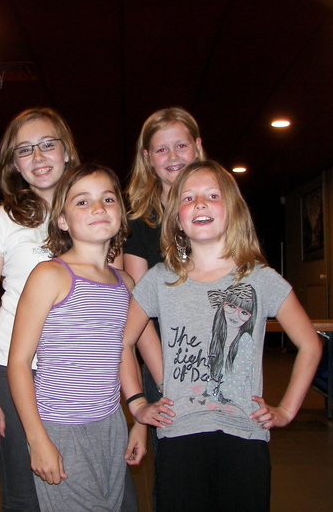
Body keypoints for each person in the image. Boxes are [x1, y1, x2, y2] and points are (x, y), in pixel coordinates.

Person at [0, 108, 144, 511]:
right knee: (26, 493)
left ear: (66, 151)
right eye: (24, 150)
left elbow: (115, 323)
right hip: (14, 367)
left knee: (113, 493)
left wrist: (136, 405)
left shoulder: (97, 216)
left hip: (83, 377)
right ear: (14, 164)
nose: (38, 156)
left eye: (48, 144)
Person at [120, 160, 322, 511]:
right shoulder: (159, 279)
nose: (200, 203)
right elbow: (122, 341)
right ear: (177, 218)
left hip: (244, 436)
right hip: (179, 436)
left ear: (233, 210)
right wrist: (137, 404)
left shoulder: (260, 278)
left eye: (212, 196)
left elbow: (310, 344)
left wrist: (287, 410)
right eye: (188, 198)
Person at [8, 164, 145, 512]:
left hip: (111, 423)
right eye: (82, 202)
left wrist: (139, 422)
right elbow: (19, 362)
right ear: (63, 220)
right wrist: (37, 439)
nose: (98, 208)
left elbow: (124, 353)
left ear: (121, 214)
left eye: (108, 199)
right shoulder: (51, 275)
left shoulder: (126, 284)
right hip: (60, 427)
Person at [119, 107, 206, 507]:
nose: (173, 156)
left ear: (197, 147)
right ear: (147, 158)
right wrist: (166, 382)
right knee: (176, 482)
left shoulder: (220, 210)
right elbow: (139, 312)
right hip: (166, 366)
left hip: (220, 369)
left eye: (181, 145)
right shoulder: (139, 222)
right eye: (161, 149)